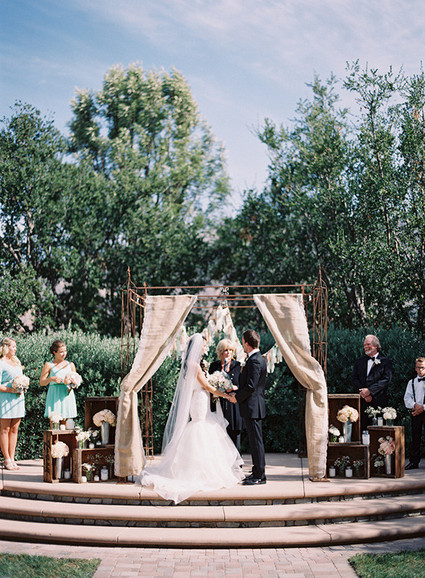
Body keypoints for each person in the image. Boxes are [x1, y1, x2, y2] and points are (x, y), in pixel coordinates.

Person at [140, 333, 244, 504]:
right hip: (199, 399)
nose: (204, 348)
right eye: (203, 345)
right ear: (196, 347)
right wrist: (225, 395)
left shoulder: (192, 364)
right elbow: (207, 386)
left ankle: (203, 468)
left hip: (200, 398)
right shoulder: (194, 365)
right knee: (200, 427)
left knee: (203, 426)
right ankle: (201, 471)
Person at [235, 329, 267, 485]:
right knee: (255, 442)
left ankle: (260, 475)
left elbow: (250, 386)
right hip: (254, 407)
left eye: (243, 342)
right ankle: (256, 471)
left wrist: (236, 398)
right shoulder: (257, 359)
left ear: (247, 344)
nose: (243, 345)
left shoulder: (254, 361)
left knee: (256, 442)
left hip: (253, 407)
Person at [352, 334, 392, 429]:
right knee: (362, 429)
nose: (366, 347)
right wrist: (364, 394)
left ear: (376, 346)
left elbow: (386, 380)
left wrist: (370, 391)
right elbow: (354, 379)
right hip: (362, 402)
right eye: (364, 345)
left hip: (378, 401)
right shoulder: (359, 361)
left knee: (378, 430)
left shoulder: (386, 361)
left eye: (368, 344)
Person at [208, 338, 242, 452]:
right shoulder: (214, 366)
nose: (228, 353)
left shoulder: (238, 366)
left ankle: (237, 460)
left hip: (233, 404)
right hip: (219, 403)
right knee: (218, 434)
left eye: (230, 350)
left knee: (234, 433)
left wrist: (234, 388)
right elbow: (209, 384)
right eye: (225, 350)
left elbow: (242, 385)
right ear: (220, 352)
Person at [0, 337, 25, 470]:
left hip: (18, 399)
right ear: (6, 347)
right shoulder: (1, 363)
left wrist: (23, 385)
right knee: (5, 429)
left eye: (15, 346)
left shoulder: (16, 362)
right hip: (5, 398)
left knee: (15, 429)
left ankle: (12, 457)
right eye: (13, 346)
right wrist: (11, 390)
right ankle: (6, 459)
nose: (15, 349)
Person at [40, 340, 77, 427]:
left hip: (66, 395)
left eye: (65, 351)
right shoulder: (48, 365)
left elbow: (75, 382)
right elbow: (42, 382)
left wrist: (71, 385)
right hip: (54, 395)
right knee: (54, 423)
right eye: (61, 352)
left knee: (66, 425)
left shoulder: (71, 365)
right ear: (54, 352)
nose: (64, 354)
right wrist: (51, 379)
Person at [404, 357, 425, 470]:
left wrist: (423, 407)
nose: (420, 370)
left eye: (422, 368)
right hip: (416, 413)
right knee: (415, 437)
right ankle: (414, 462)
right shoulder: (411, 382)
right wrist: (415, 405)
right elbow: (407, 398)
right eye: (418, 368)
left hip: (423, 410)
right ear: (415, 368)